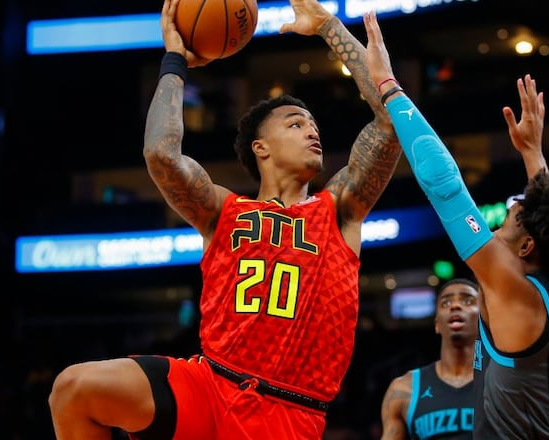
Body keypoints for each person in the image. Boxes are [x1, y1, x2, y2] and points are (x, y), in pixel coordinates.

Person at [47, 0, 401, 439]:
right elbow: (160, 153)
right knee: (73, 388)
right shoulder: (222, 211)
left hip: (288, 408)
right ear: (260, 147)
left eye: (313, 125)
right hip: (209, 385)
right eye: (295, 123)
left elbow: (390, 123)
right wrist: (175, 58)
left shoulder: (339, 209)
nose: (312, 131)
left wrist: (329, 27)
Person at [362, 10, 549, 440]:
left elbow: (444, 184)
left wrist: (387, 85)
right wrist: (533, 154)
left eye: (511, 220)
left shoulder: (517, 292)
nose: (497, 224)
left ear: (526, 247)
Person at [379, 278, 480, 440]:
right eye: (446, 303)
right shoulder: (405, 388)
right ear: (437, 324)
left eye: (467, 301)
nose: (455, 306)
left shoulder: (504, 382)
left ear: (484, 318)